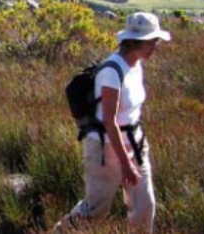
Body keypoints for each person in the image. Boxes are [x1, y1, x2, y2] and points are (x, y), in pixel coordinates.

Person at [57, 12, 170, 234]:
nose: (156, 46)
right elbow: (110, 121)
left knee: (144, 208)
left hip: (136, 145)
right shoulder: (111, 71)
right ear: (136, 42)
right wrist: (125, 163)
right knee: (96, 210)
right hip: (105, 148)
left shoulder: (136, 66)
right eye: (152, 42)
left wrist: (133, 153)